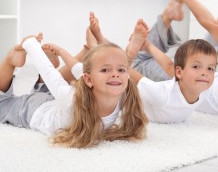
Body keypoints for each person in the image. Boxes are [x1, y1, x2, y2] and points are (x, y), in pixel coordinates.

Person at [0, 31, 148, 148]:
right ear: (89, 80)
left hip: (56, 104)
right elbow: (50, 73)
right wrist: (30, 45)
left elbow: (79, 70)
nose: (116, 74)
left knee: (48, 91)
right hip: (34, 110)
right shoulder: (72, 100)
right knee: (3, 103)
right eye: (105, 70)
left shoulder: (124, 96)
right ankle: (11, 58)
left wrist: (60, 51)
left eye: (121, 70)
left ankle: (41, 83)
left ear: (127, 77)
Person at [125, 20, 218, 123]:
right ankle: (129, 54)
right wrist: (127, 59)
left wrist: (147, 45)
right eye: (196, 66)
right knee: (120, 70)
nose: (205, 73)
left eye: (210, 68)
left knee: (172, 69)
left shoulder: (203, 87)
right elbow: (136, 78)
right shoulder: (162, 95)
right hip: (125, 97)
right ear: (179, 72)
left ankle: (145, 45)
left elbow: (170, 67)